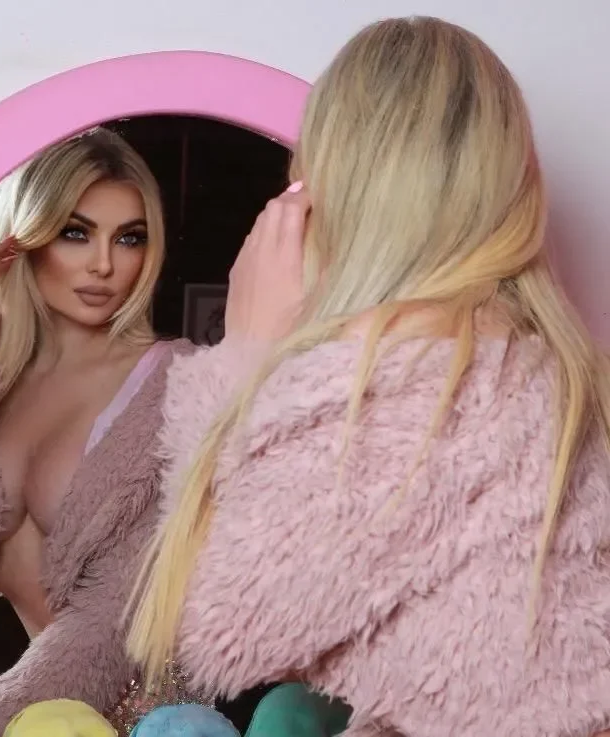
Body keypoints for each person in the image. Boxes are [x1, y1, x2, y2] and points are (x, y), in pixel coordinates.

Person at [127, 16, 610, 737]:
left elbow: (216, 627)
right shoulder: (549, 368)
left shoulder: (389, 381)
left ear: (330, 188)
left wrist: (242, 356)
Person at [0, 128, 205, 735]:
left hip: (155, 720)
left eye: (129, 238)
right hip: (46, 720)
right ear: (23, 238)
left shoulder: (176, 382)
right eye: (76, 233)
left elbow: (118, 618)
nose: (104, 265)